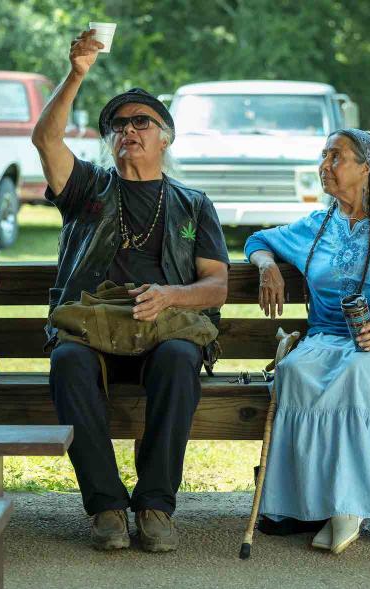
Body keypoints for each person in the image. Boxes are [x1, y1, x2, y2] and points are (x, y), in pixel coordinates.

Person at [32, 29, 229, 553]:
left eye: (142, 121)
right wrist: (76, 73)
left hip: (162, 330)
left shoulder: (192, 204)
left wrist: (170, 296)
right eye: (117, 124)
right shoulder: (86, 189)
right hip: (94, 332)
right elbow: (46, 141)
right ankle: (106, 507)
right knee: (68, 363)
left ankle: (156, 505)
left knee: (180, 359)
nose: (128, 130)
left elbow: (216, 285)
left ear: (166, 137)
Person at [244, 128, 370, 553]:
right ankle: (308, 504)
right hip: (329, 337)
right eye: (323, 156)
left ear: (366, 168)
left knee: (360, 368)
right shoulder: (317, 225)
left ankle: (350, 505)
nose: (324, 166)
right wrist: (266, 267)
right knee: (295, 371)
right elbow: (257, 240)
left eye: (336, 157)